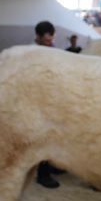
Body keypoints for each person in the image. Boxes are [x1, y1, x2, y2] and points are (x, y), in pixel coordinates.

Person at [33, 21, 64, 189]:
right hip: (38, 100)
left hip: (53, 99)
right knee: (41, 137)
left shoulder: (54, 51)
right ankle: (42, 174)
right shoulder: (32, 54)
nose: (49, 41)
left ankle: (50, 165)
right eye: (45, 39)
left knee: (53, 135)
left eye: (51, 38)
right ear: (37, 37)